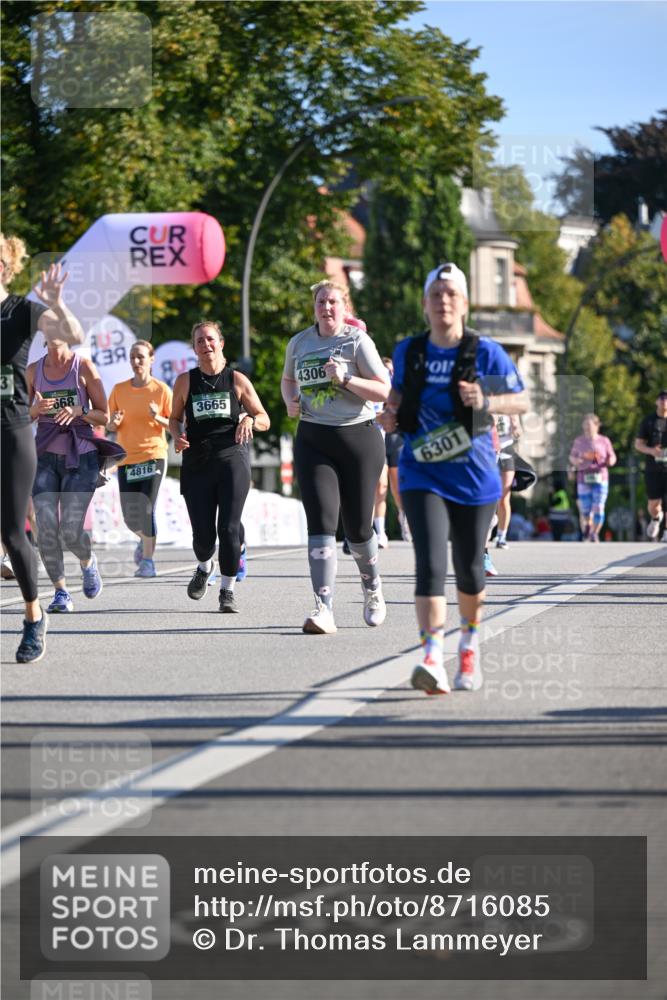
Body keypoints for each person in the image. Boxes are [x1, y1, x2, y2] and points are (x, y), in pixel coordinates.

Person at [379, 262, 527, 695]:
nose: (443, 301)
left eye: (451, 294)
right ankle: (430, 656)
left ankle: (468, 645)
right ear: (425, 305)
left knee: (469, 572)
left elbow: (520, 402)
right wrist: (390, 415)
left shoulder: (485, 352)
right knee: (429, 565)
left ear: (463, 303)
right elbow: (397, 398)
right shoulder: (410, 351)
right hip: (422, 470)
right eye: (436, 294)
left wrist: (487, 398)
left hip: (475, 476)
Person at [281, 280, 390, 634]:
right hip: (314, 438)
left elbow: (383, 389)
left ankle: (372, 588)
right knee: (321, 522)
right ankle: (323, 607)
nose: (326, 308)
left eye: (333, 302)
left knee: (358, 528)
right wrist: (290, 400)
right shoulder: (299, 343)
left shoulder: (357, 341)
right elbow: (287, 379)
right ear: (314, 306)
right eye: (321, 302)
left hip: (359, 437)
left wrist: (346, 380)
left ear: (345, 308)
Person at [1, 235, 85, 661]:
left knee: (14, 533)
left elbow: (73, 333)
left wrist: (57, 301)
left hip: (13, 432)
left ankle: (34, 617)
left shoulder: (19, 310)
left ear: (7, 266)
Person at [169, 321, 269, 613]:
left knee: (228, 528)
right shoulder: (185, 381)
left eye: (210, 339)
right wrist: (176, 436)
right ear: (194, 348)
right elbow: (174, 418)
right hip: (197, 462)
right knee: (203, 537)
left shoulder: (236, 380)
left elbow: (264, 417)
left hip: (232, 459)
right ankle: (204, 565)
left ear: (221, 343)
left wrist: (249, 419)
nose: (206, 345)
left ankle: (227, 590)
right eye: (199, 341)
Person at [28, 322, 116, 613]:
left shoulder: (84, 367)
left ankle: (88, 563)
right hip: (44, 457)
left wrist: (80, 411)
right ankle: (61, 592)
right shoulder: (33, 371)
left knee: (70, 529)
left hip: (81, 457)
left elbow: (105, 416)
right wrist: (35, 411)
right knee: (45, 527)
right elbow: (18, 416)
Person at [108, 340, 173, 578]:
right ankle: (145, 540)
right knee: (130, 517)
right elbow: (110, 423)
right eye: (133, 357)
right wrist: (112, 424)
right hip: (127, 459)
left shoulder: (162, 390)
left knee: (146, 508)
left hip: (153, 456)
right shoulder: (119, 390)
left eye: (141, 357)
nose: (136, 362)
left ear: (151, 359)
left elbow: (176, 424)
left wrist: (159, 418)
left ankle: (147, 561)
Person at [373, 357, 411, 548]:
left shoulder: (398, 389)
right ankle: (380, 532)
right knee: (380, 486)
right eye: (385, 370)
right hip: (377, 436)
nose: (389, 373)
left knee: (396, 485)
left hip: (396, 437)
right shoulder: (373, 385)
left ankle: (404, 515)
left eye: (391, 371)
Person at [568, 414, 617, 542]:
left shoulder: (604, 441)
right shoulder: (579, 441)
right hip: (583, 478)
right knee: (585, 509)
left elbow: (612, 456)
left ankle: (594, 533)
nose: (587, 428)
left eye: (589, 425)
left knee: (599, 506)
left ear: (597, 426)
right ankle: (588, 526)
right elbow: (571, 457)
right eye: (585, 425)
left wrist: (610, 461)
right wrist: (576, 461)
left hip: (601, 477)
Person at [635, 389, 667, 540]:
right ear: (656, 402)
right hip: (653, 469)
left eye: (666, 398)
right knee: (653, 505)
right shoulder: (649, 421)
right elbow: (638, 444)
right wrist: (651, 451)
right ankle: (656, 518)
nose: (664, 401)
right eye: (661, 398)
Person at [494, 413, 522, 549]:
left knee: (504, 496)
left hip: (506, 451)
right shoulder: (486, 405)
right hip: (488, 451)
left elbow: (518, 434)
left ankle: (501, 536)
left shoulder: (511, 409)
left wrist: (516, 427)